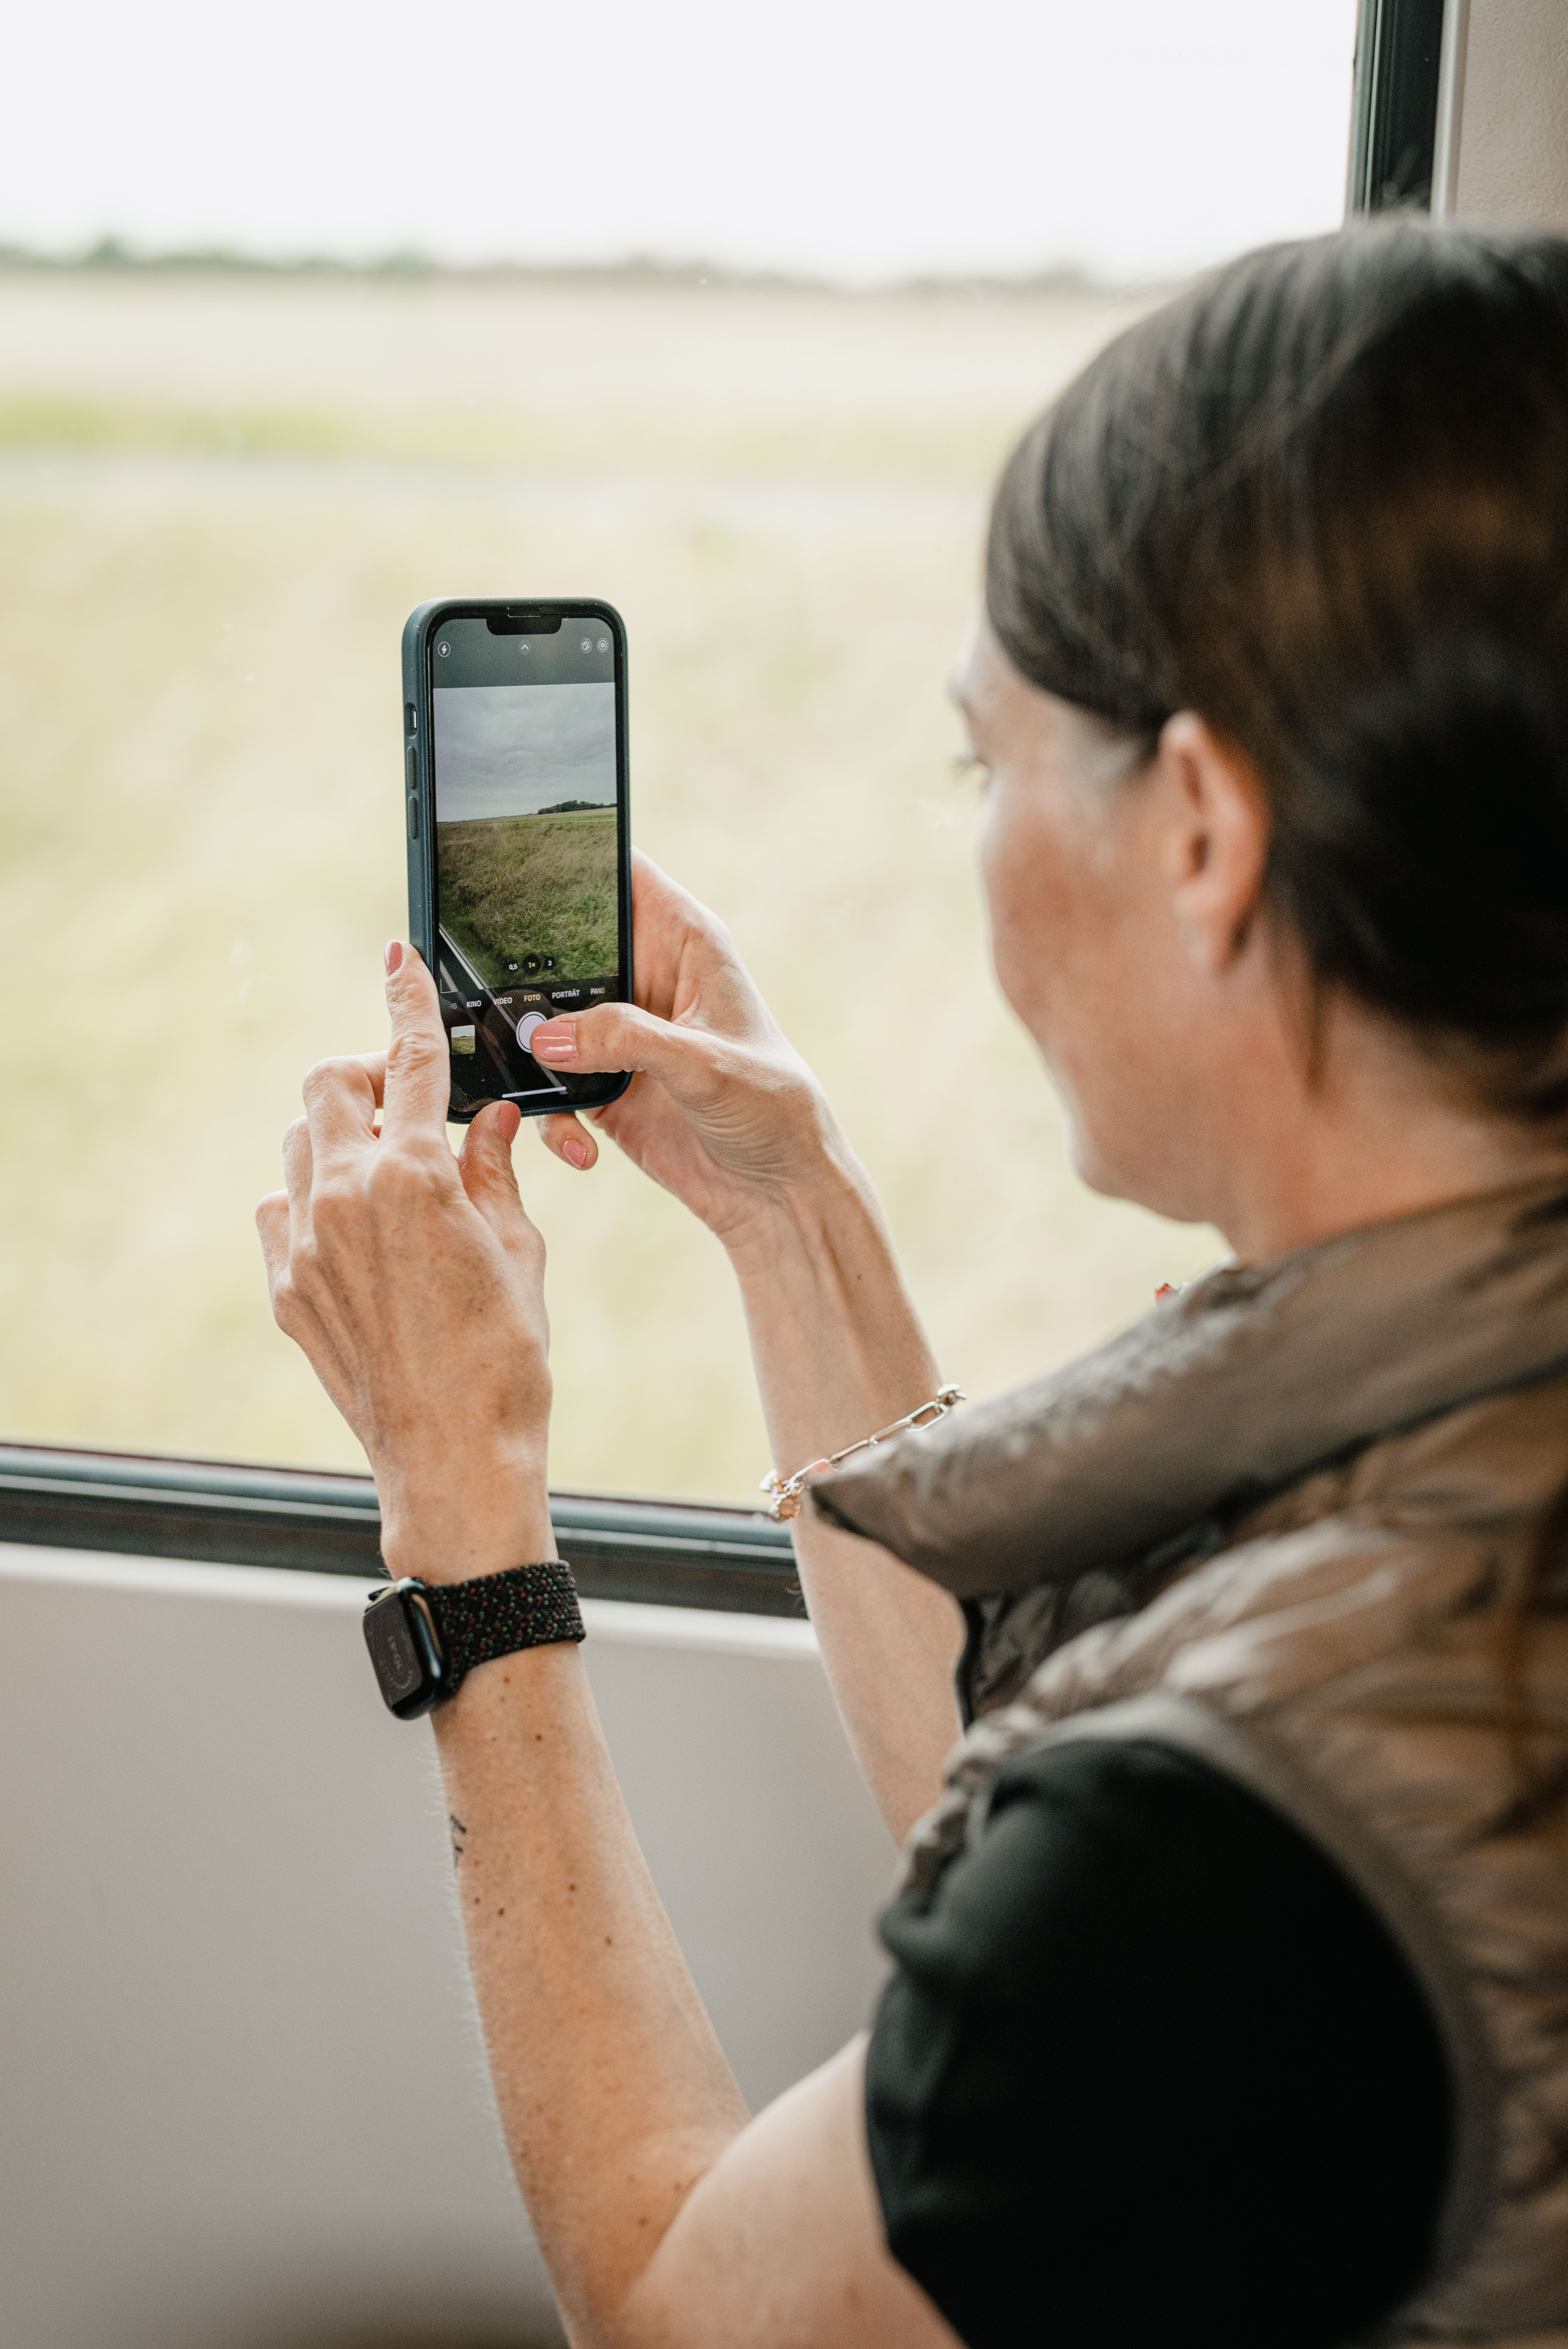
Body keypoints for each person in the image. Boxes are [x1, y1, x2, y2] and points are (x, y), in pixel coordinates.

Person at [258, 219, 1568, 2349]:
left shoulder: (1242, 1850)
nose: (977, 839)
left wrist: (461, 1495)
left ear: (1207, 829)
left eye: (991, 763)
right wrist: (790, 1210)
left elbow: (682, 2310)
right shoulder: (1453, 1404)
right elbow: (1023, 1777)